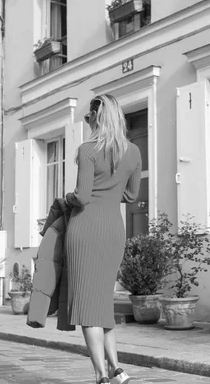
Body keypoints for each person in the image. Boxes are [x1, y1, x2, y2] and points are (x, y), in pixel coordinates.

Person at [64, 94, 141, 384]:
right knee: (102, 302)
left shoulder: (88, 150)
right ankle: (116, 369)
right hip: (113, 229)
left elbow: (82, 197)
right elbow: (132, 196)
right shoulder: (133, 151)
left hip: (86, 228)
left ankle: (100, 376)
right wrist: (109, 193)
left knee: (87, 305)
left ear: (97, 117)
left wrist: (67, 198)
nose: (87, 122)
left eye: (87, 117)